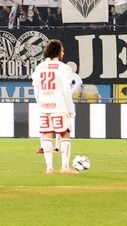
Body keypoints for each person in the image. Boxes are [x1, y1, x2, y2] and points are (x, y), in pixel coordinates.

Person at [32, 39, 83, 174]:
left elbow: (36, 92)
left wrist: (40, 106)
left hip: (44, 107)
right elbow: (66, 90)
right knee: (65, 133)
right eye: (62, 50)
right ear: (58, 51)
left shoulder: (39, 68)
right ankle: (65, 167)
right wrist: (71, 109)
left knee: (47, 134)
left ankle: (49, 167)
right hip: (59, 106)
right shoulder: (63, 67)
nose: (63, 53)